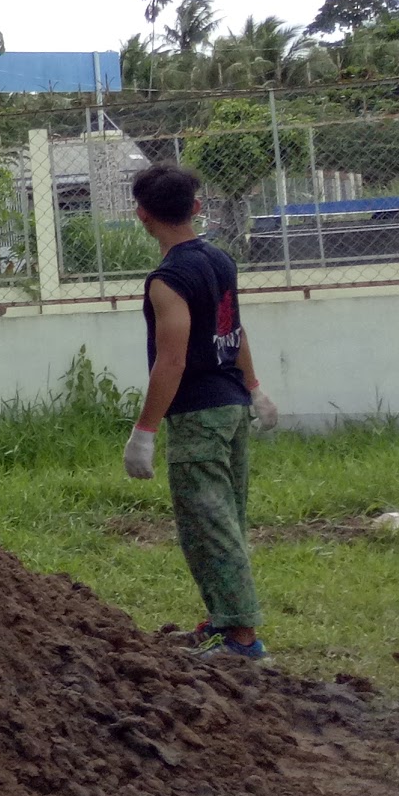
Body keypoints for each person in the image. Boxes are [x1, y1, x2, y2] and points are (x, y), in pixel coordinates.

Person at [125, 166, 278, 660]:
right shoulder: (219, 259)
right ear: (195, 208)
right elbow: (234, 329)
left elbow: (172, 360)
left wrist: (144, 431)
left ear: (142, 215)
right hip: (232, 406)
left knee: (209, 527)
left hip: (199, 415)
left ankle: (241, 641)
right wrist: (253, 388)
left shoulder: (167, 280)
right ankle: (223, 621)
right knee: (226, 520)